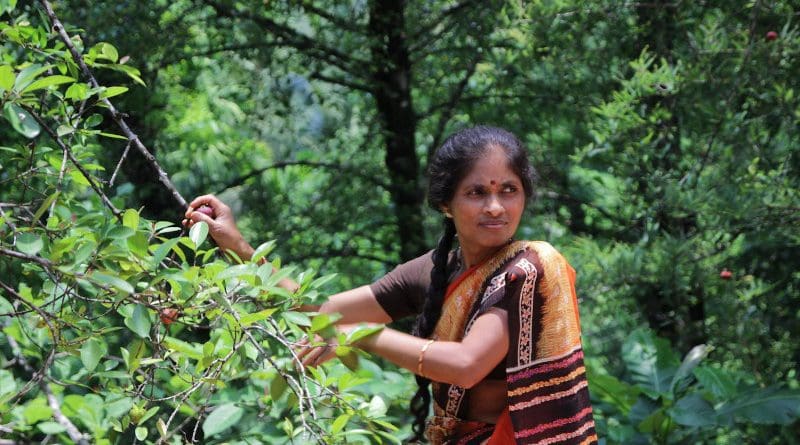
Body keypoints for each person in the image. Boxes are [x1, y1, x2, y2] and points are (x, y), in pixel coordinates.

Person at [183, 126, 597, 444]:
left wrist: (364, 335)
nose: (495, 206)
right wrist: (238, 246)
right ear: (445, 204)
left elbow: (468, 366)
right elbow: (321, 309)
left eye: (509, 190)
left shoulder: (528, 269)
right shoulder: (432, 271)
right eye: (476, 192)